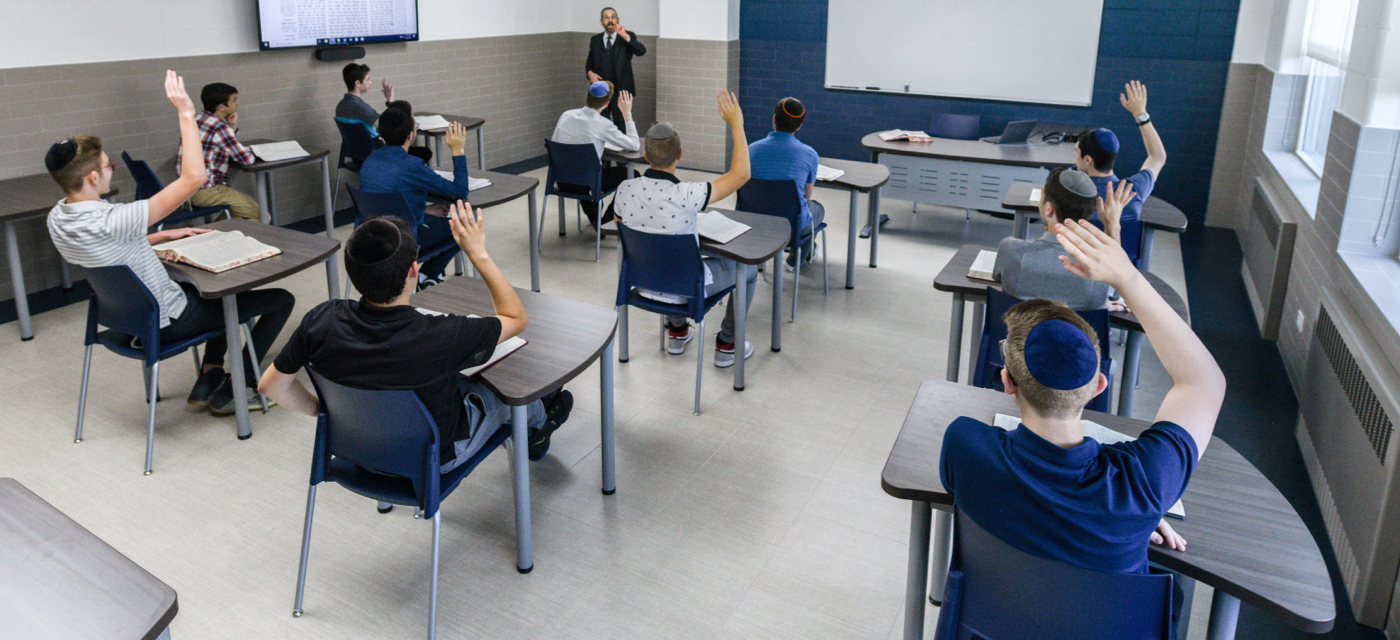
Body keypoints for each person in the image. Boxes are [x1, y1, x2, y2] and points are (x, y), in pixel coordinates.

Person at [940, 216, 1225, 580]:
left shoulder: (965, 445)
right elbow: (1205, 383)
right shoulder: (1145, 482)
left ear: (1007, 381)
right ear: (1099, 385)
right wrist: (1128, 277)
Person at [48, 71, 295, 415]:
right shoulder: (115, 218)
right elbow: (194, 177)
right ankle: (246, 386)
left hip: (125, 318)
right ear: (92, 177)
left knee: (217, 295)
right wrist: (184, 112)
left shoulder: (59, 218)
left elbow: (104, 247)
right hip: (166, 320)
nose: (111, 170)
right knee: (279, 299)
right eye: (108, 166)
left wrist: (159, 235)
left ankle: (210, 374)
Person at [258, 204, 574, 468]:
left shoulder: (321, 319)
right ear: (413, 271)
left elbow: (270, 385)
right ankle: (539, 426)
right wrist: (479, 255)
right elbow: (516, 318)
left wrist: (330, 414)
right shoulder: (442, 334)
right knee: (506, 395)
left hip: (358, 447)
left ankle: (540, 415)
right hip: (431, 460)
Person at [612, 91, 756, 368]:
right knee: (747, 270)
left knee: (666, 260)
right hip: (685, 288)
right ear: (680, 154)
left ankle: (677, 331)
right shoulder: (689, 194)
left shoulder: (624, 190)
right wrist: (736, 124)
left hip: (644, 283)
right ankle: (728, 343)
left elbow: (624, 228)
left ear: (644, 154)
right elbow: (740, 175)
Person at [358, 108, 472, 286]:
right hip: (404, 241)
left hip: (371, 239)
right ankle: (425, 276)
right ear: (411, 135)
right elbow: (460, 191)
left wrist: (424, 209)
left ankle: (427, 278)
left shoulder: (370, 161)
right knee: (465, 226)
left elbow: (384, 201)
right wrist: (458, 150)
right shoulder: (412, 165)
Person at [993, 168, 1133, 312]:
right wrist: (1113, 227)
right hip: (1079, 334)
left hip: (1018, 334)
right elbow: (1117, 289)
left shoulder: (1011, 250)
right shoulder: (1100, 268)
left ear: (1049, 208)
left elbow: (999, 278)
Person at [551, 81, 640, 226]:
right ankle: (605, 222)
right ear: (607, 104)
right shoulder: (603, 124)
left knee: (581, 172)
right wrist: (627, 113)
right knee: (633, 176)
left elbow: (556, 142)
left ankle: (596, 220)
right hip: (588, 182)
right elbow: (634, 145)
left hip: (562, 180)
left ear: (586, 96)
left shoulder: (566, 115)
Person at [747, 97, 823, 267]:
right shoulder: (810, 154)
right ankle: (797, 257)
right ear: (799, 125)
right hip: (791, 227)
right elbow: (805, 197)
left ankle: (760, 259)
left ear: (774, 119)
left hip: (755, 223)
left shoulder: (750, 150)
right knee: (816, 209)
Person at [1078, 80, 1167, 224]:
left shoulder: (1070, 192)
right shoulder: (1133, 190)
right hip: (1121, 247)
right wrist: (1140, 113)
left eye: (1076, 151)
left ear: (1088, 160)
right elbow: (1158, 156)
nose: (1074, 155)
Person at [175, 82, 260, 221]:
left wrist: (232, 127)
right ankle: (218, 234)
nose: (237, 104)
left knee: (242, 214)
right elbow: (247, 159)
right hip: (208, 191)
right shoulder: (219, 127)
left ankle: (216, 232)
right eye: (233, 101)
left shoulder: (197, 120)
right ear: (221, 106)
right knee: (260, 215)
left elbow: (220, 145)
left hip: (187, 190)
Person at [335, 63, 433, 164]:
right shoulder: (361, 107)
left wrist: (390, 102)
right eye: (368, 79)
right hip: (377, 156)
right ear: (357, 83)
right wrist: (391, 102)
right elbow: (387, 128)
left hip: (358, 157)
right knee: (425, 152)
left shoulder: (340, 106)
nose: (370, 83)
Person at [586, 7, 647, 130]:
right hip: (601, 89)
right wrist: (590, 73)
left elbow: (641, 51)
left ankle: (622, 148)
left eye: (613, 17)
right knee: (600, 123)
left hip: (621, 89)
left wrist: (624, 35)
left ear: (617, 20)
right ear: (601, 22)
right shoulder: (595, 40)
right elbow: (589, 62)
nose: (610, 20)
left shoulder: (627, 36)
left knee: (621, 123)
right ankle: (604, 149)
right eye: (606, 17)